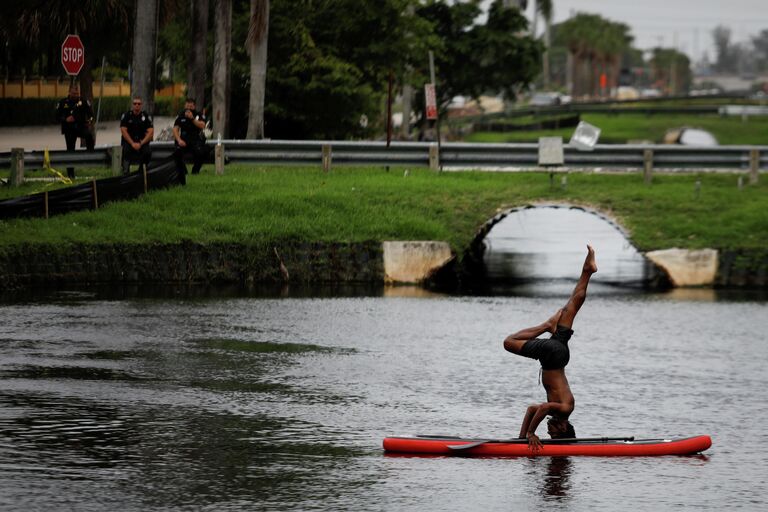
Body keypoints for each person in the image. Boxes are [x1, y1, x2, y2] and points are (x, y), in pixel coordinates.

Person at [503, 245, 598, 452]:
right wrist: (531, 433)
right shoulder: (565, 408)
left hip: (557, 354)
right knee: (509, 342)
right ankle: (546, 325)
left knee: (571, 305)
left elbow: (531, 410)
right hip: (553, 355)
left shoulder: (559, 412)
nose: (549, 432)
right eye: (554, 434)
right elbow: (544, 408)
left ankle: (587, 271)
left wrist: (521, 439)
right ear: (563, 428)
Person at [55, 84, 94, 179]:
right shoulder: (63, 102)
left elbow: (91, 115)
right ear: (69, 92)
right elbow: (56, 116)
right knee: (70, 151)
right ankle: (70, 174)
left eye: (77, 93)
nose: (76, 95)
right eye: (74, 93)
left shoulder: (83, 102)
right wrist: (65, 119)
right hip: (69, 130)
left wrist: (89, 121)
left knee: (89, 135)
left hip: (80, 127)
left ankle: (91, 155)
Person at [173, 98, 208, 184]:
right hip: (183, 140)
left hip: (195, 140)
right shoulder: (181, 115)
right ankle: (183, 172)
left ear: (194, 106)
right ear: (185, 105)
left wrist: (192, 119)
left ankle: (195, 171)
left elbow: (202, 126)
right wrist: (179, 140)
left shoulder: (198, 115)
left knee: (201, 152)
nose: (189, 108)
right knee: (177, 152)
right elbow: (175, 129)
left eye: (191, 106)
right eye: (187, 105)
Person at [119, 97, 154, 175]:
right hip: (129, 141)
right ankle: (126, 172)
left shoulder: (145, 116)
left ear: (141, 105)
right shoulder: (127, 115)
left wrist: (141, 143)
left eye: (139, 104)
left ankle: (141, 172)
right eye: (135, 103)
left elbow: (151, 132)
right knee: (125, 151)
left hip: (141, 141)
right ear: (132, 105)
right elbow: (123, 130)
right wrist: (132, 143)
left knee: (147, 152)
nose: (137, 105)